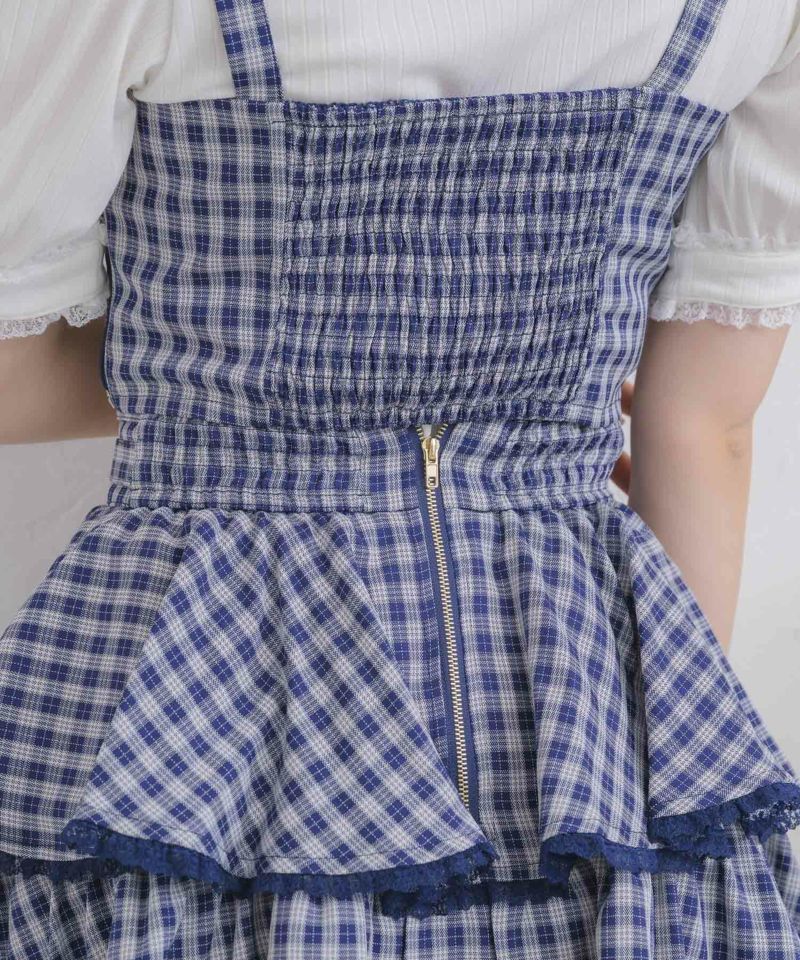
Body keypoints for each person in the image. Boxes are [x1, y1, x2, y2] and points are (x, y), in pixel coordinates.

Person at [1, 0, 799, 957]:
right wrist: (667, 751)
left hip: (218, 674)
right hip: (577, 684)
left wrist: (205, 382)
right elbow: (705, 427)